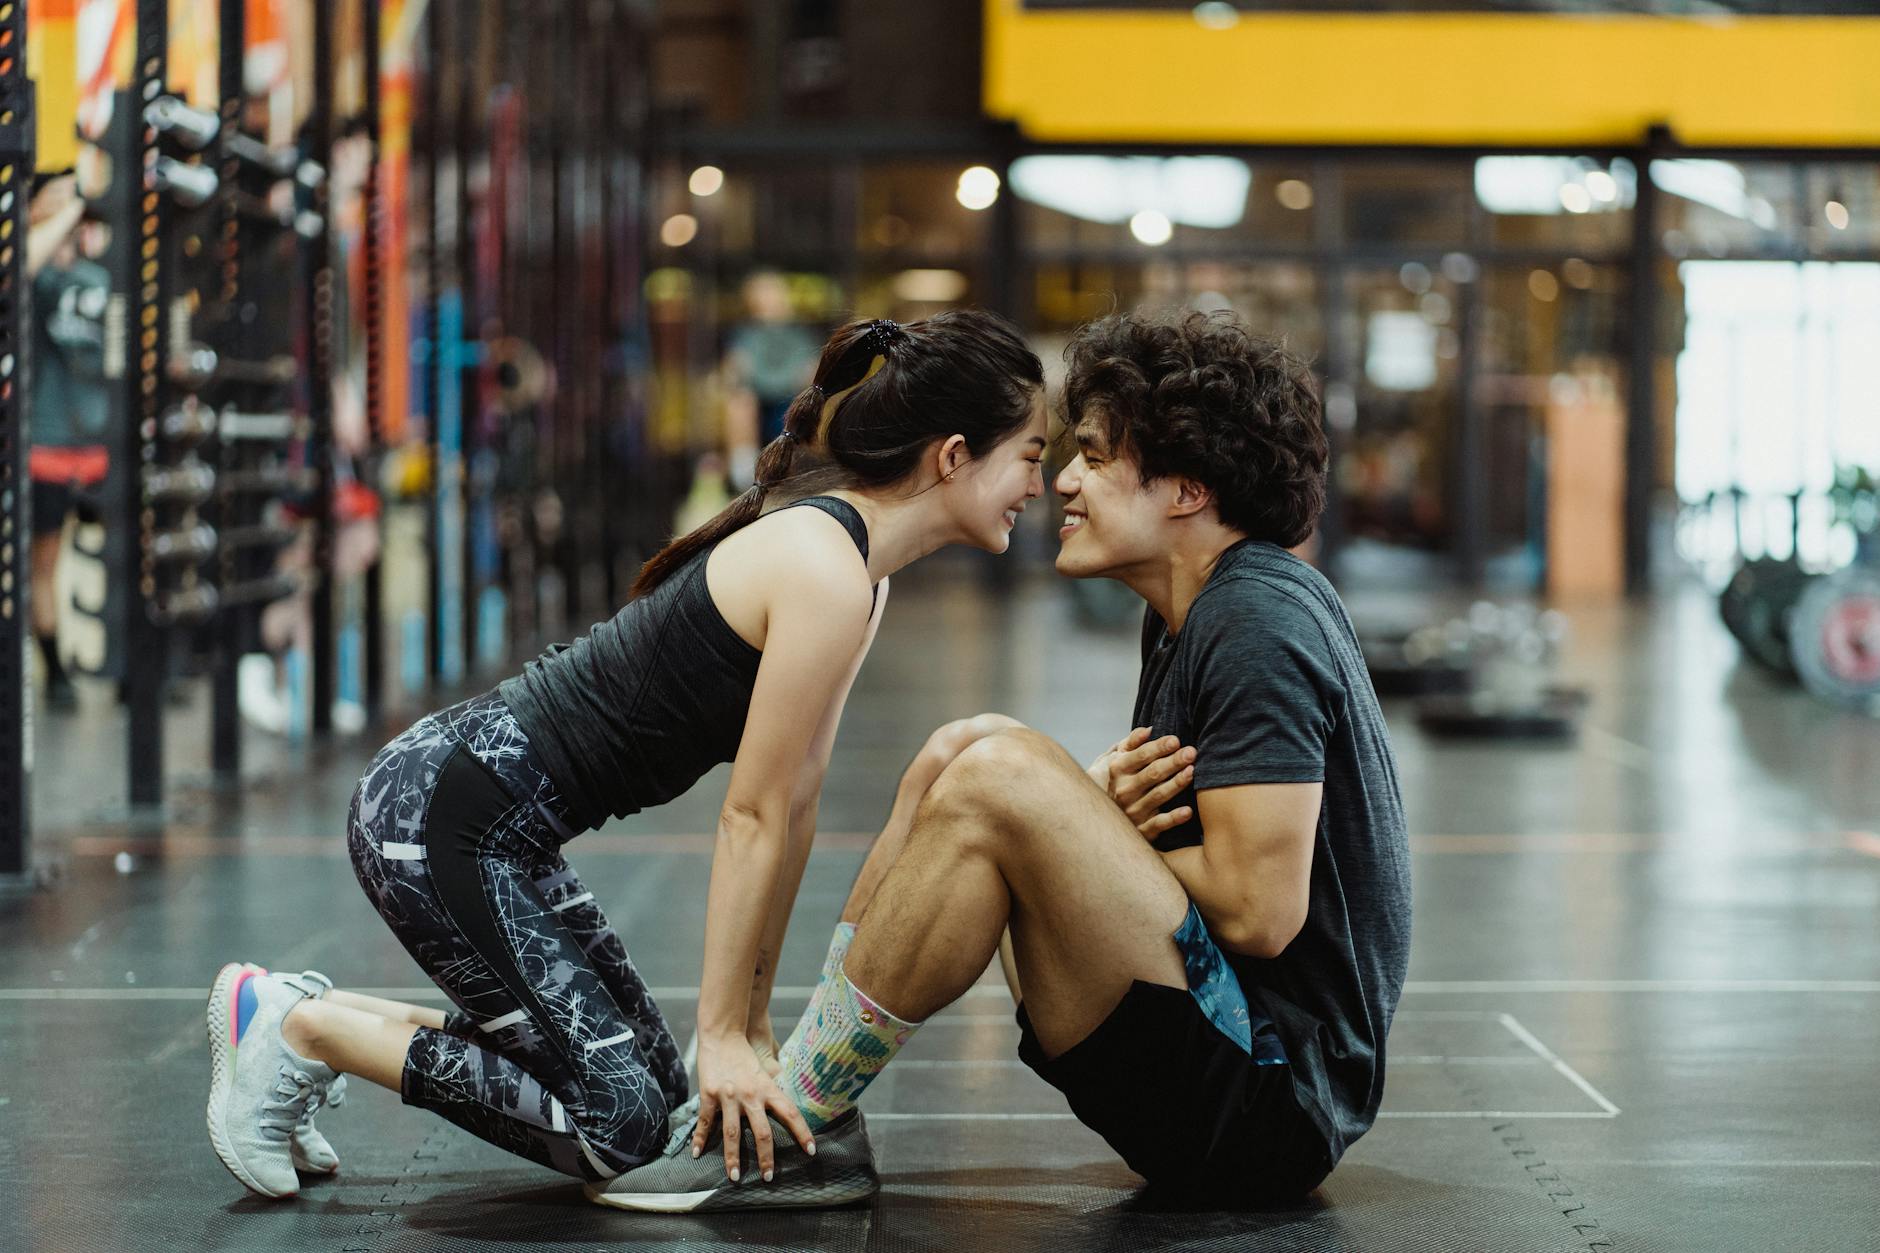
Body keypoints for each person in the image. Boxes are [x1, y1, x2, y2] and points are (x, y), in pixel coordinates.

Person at [204, 311, 1048, 1202]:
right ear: (955, 455)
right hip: (438, 816)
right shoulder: (822, 565)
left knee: (655, 1091)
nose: (1043, 480)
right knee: (621, 1130)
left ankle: (287, 1007)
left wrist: (750, 1024)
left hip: (499, 829)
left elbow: (795, 805)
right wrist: (719, 1030)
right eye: (1032, 454)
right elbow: (750, 815)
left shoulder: (857, 578)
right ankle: (302, 1031)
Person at [596, 309, 1411, 1212]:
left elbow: (1261, 911)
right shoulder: (1191, 615)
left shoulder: (1259, 618)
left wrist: (1086, 827)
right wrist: (1093, 825)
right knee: (965, 749)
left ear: (1185, 486)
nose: (1063, 480)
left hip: (1269, 1100)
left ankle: (799, 1122)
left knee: (1000, 775)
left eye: (1096, 456)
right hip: (1210, 1049)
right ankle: (798, 1100)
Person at [24, 172, 110, 711]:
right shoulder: (27, 276)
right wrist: (60, 213)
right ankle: (56, 671)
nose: (66, 209)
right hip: (47, 446)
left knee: (127, 552)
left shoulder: (98, 276)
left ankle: (133, 668)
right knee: (44, 564)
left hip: (101, 447)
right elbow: (24, 262)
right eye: (52, 200)